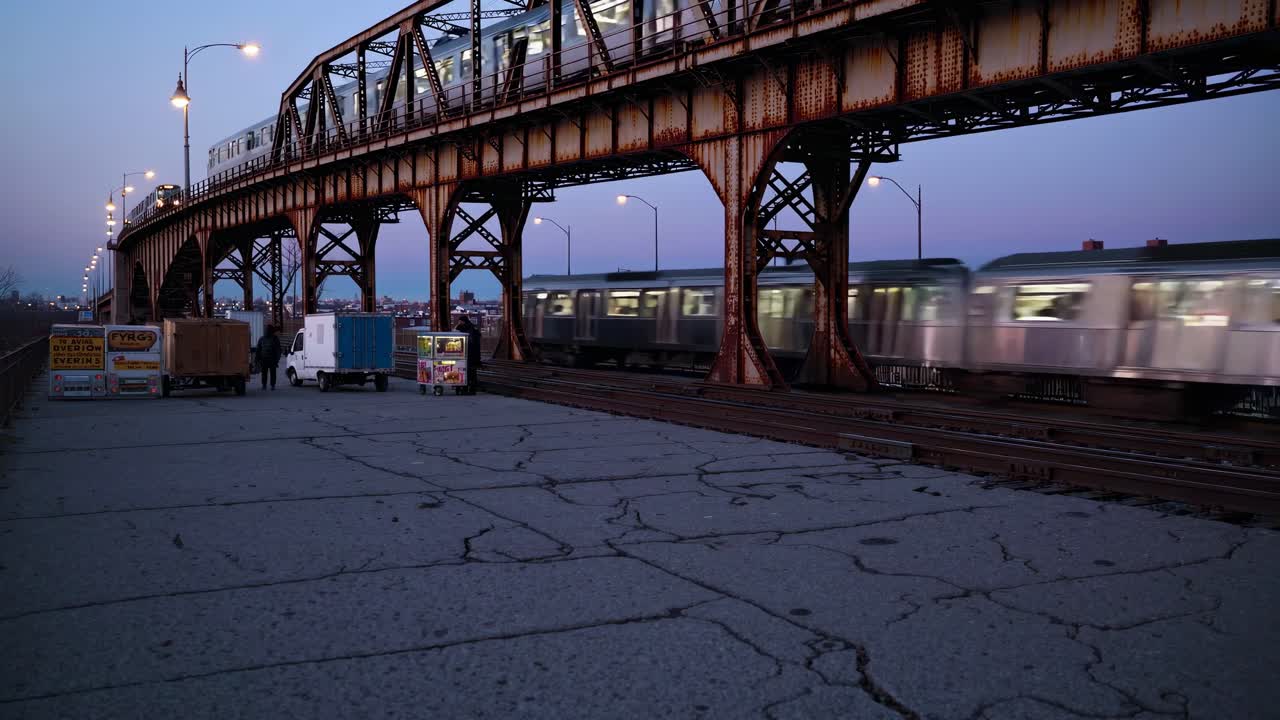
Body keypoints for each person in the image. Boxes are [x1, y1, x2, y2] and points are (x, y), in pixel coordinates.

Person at [455, 315, 482, 392]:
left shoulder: (467, 328)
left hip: (469, 353)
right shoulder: (472, 327)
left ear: (463, 321)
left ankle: (467, 386)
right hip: (472, 353)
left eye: (460, 321)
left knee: (468, 370)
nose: (459, 322)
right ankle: (470, 386)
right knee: (471, 371)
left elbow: (470, 340)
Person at [255, 324, 283, 391]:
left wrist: (257, 359)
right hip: (270, 359)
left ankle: (265, 385)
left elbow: (258, 350)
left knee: (265, 373)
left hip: (266, 359)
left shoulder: (262, 339)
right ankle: (271, 385)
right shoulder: (274, 338)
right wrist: (277, 359)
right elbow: (278, 350)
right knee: (271, 373)